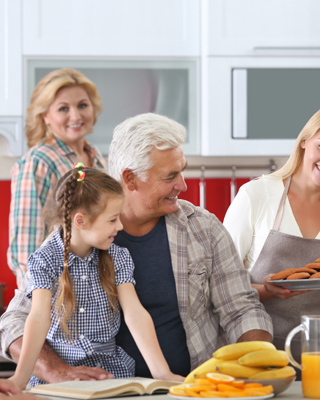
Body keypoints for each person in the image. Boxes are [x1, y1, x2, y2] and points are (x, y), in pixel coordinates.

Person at [0, 113, 273, 383]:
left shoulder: (203, 229)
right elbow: (16, 321)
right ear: (130, 179)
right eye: (170, 176)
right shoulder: (70, 239)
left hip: (186, 388)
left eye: (183, 170)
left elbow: (241, 309)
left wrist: (255, 369)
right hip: (94, 390)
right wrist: (55, 372)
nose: (183, 184)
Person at [224, 101, 320, 378]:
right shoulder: (256, 195)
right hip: (252, 356)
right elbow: (221, 289)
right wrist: (267, 290)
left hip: (319, 359)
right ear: (304, 142)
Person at [7, 164, 184, 389]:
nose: (120, 226)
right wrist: (19, 380)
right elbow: (38, 317)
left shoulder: (118, 256)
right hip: (57, 383)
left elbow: (135, 314)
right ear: (80, 221)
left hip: (110, 378)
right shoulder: (45, 259)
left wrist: (162, 372)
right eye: (112, 220)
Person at [8, 68, 106, 288]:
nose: (76, 116)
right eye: (63, 108)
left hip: (95, 285)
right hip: (59, 289)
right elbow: (26, 247)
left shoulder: (95, 156)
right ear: (45, 116)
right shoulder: (38, 162)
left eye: (82, 105)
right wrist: (38, 304)